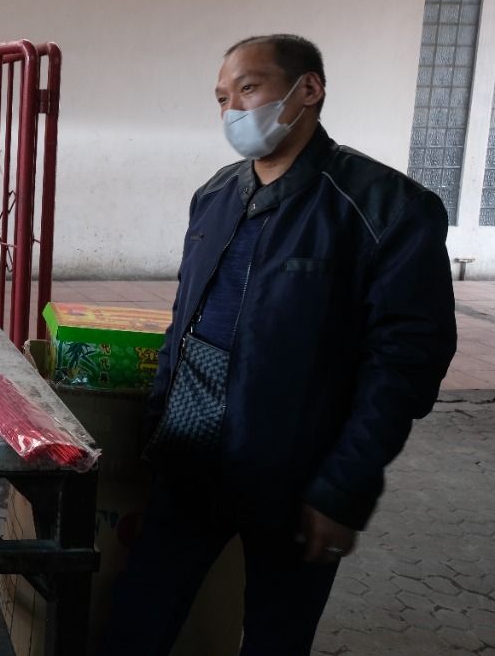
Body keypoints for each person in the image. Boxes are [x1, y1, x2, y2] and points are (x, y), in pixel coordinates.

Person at [103, 34, 457, 656]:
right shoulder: (215, 194)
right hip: (190, 458)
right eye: (221, 98)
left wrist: (344, 487)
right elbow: (185, 321)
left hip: (297, 478)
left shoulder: (386, 209)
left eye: (249, 88)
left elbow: (404, 367)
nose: (233, 110)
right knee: (138, 619)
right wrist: (157, 426)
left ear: (309, 90)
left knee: (276, 638)